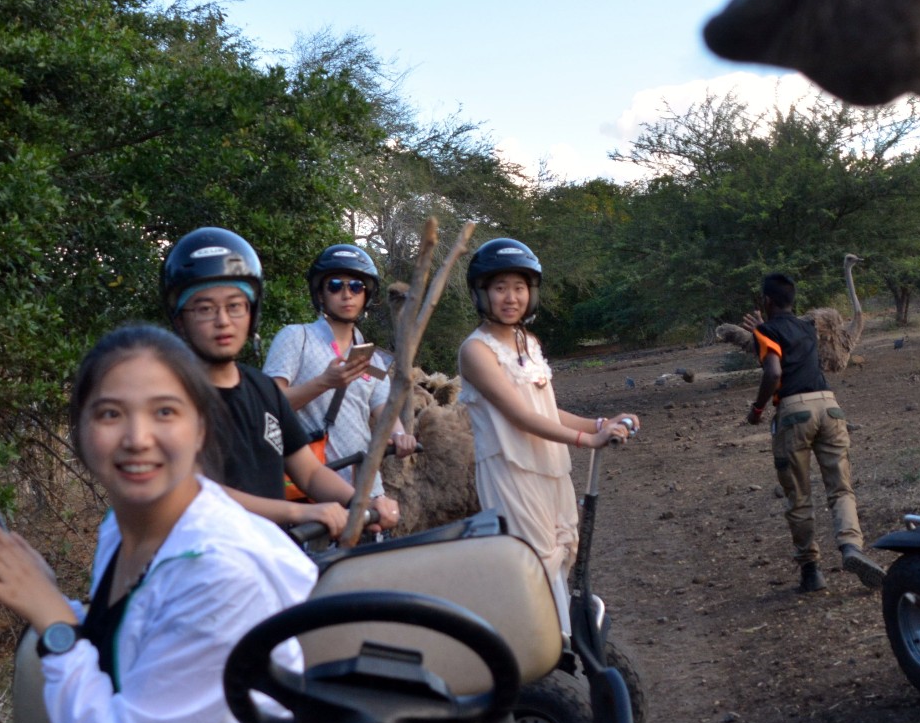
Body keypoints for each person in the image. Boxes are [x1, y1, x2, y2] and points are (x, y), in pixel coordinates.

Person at [0, 324, 342, 723]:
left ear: (201, 429)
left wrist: (53, 621)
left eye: (165, 412)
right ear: (81, 433)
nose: (137, 437)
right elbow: (135, 643)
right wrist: (49, 593)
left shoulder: (222, 572)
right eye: (110, 414)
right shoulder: (121, 529)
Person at [455, 237, 638, 633]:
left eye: (519, 287)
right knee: (535, 564)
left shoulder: (529, 343)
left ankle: (561, 652)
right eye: (500, 287)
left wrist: (598, 425)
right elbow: (518, 415)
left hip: (550, 468)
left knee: (563, 554)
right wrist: (585, 441)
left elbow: (544, 409)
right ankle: (551, 659)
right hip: (510, 470)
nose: (511, 297)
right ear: (481, 293)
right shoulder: (476, 351)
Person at [161, 227, 394, 536]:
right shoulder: (170, 400)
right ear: (179, 318)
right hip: (206, 556)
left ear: (252, 313)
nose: (223, 320)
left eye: (235, 306)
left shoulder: (261, 389)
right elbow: (199, 493)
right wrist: (303, 511)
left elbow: (308, 473)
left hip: (273, 553)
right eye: (204, 308)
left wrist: (361, 503)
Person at [743, 271, 884, 594]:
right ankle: (851, 547)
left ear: (766, 301)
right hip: (830, 407)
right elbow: (792, 353)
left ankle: (811, 571)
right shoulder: (808, 327)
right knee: (841, 488)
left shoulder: (766, 331)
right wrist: (760, 335)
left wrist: (757, 409)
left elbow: (775, 370)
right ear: (793, 301)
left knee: (799, 495)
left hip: (794, 412)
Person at [263, 244, 416, 522]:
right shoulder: (296, 337)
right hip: (309, 491)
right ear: (320, 293)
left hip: (367, 486)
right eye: (335, 285)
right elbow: (269, 404)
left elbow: (383, 409)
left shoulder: (371, 357)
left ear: (367, 294)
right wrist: (323, 382)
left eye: (356, 286)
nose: (346, 294)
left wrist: (400, 434)